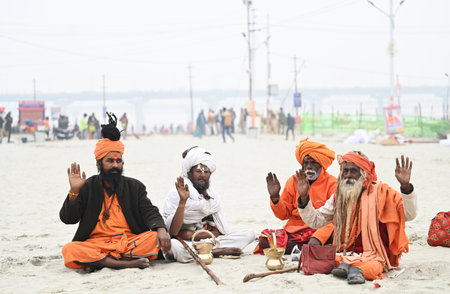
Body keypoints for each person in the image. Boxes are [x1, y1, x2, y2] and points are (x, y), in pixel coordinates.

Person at [60, 112, 171, 272]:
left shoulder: (134, 186)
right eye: (110, 161)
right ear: (99, 164)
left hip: (128, 241)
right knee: (70, 249)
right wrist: (74, 192)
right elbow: (68, 219)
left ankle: (102, 262)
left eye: (118, 161)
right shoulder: (88, 186)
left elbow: (149, 211)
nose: (115, 165)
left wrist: (160, 229)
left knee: (153, 238)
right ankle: (125, 263)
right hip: (96, 242)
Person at [297, 151, 417, 284]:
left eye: (353, 171)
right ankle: (351, 268)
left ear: (363, 173)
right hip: (343, 253)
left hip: (372, 256)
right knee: (327, 259)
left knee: (373, 267)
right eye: (345, 171)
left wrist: (406, 187)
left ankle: (355, 270)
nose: (348, 175)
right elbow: (316, 220)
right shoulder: (339, 195)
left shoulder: (382, 193)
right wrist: (304, 198)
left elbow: (409, 215)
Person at [163, 146, 255, 262]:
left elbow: (218, 231)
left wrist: (191, 235)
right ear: (189, 173)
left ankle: (207, 251)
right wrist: (182, 202)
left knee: (249, 234)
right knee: (172, 246)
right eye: (198, 171)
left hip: (207, 240)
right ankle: (216, 252)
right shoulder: (176, 193)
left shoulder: (213, 196)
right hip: (185, 243)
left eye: (206, 172)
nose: (203, 175)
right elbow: (174, 232)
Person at [254, 138, 336, 255]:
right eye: (306, 163)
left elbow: (334, 220)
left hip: (320, 229)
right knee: (264, 241)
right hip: (295, 230)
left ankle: (305, 248)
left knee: (332, 238)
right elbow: (283, 215)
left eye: (314, 163)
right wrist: (275, 198)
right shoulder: (293, 181)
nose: (309, 167)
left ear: (321, 164)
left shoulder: (332, 183)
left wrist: (317, 238)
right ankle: (305, 249)